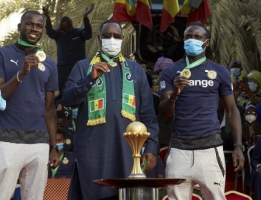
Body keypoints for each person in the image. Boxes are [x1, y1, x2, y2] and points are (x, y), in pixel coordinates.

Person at [62, 19, 159, 200]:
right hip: (93, 152)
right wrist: (89, 79)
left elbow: (148, 114)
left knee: (126, 194)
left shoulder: (136, 71)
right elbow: (68, 99)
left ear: (122, 39)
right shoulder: (83, 67)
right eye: (107, 36)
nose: (112, 40)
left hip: (129, 153)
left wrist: (152, 147)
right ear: (99, 39)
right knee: (95, 193)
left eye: (116, 36)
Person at [159, 22, 245, 199]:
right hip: (178, 150)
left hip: (210, 149)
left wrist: (238, 146)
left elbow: (231, 110)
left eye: (198, 37)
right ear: (183, 40)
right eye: (188, 37)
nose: (192, 40)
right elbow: (165, 113)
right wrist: (175, 93)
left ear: (207, 42)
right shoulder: (171, 71)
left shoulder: (219, 71)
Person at [0, 10, 60, 199]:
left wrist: (53, 147)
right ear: (19, 27)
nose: (34, 28)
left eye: (39, 26)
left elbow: (49, 109)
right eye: (29, 24)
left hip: (39, 144)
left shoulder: (49, 63)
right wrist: (22, 73)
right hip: (8, 139)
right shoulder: (0, 54)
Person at [42, 4, 94, 94]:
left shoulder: (79, 33)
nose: (61, 30)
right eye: (60, 28)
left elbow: (88, 35)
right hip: (63, 68)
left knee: (79, 88)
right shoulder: (59, 34)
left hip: (78, 67)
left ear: (70, 26)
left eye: (63, 29)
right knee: (59, 90)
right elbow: (50, 32)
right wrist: (47, 17)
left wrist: (85, 18)